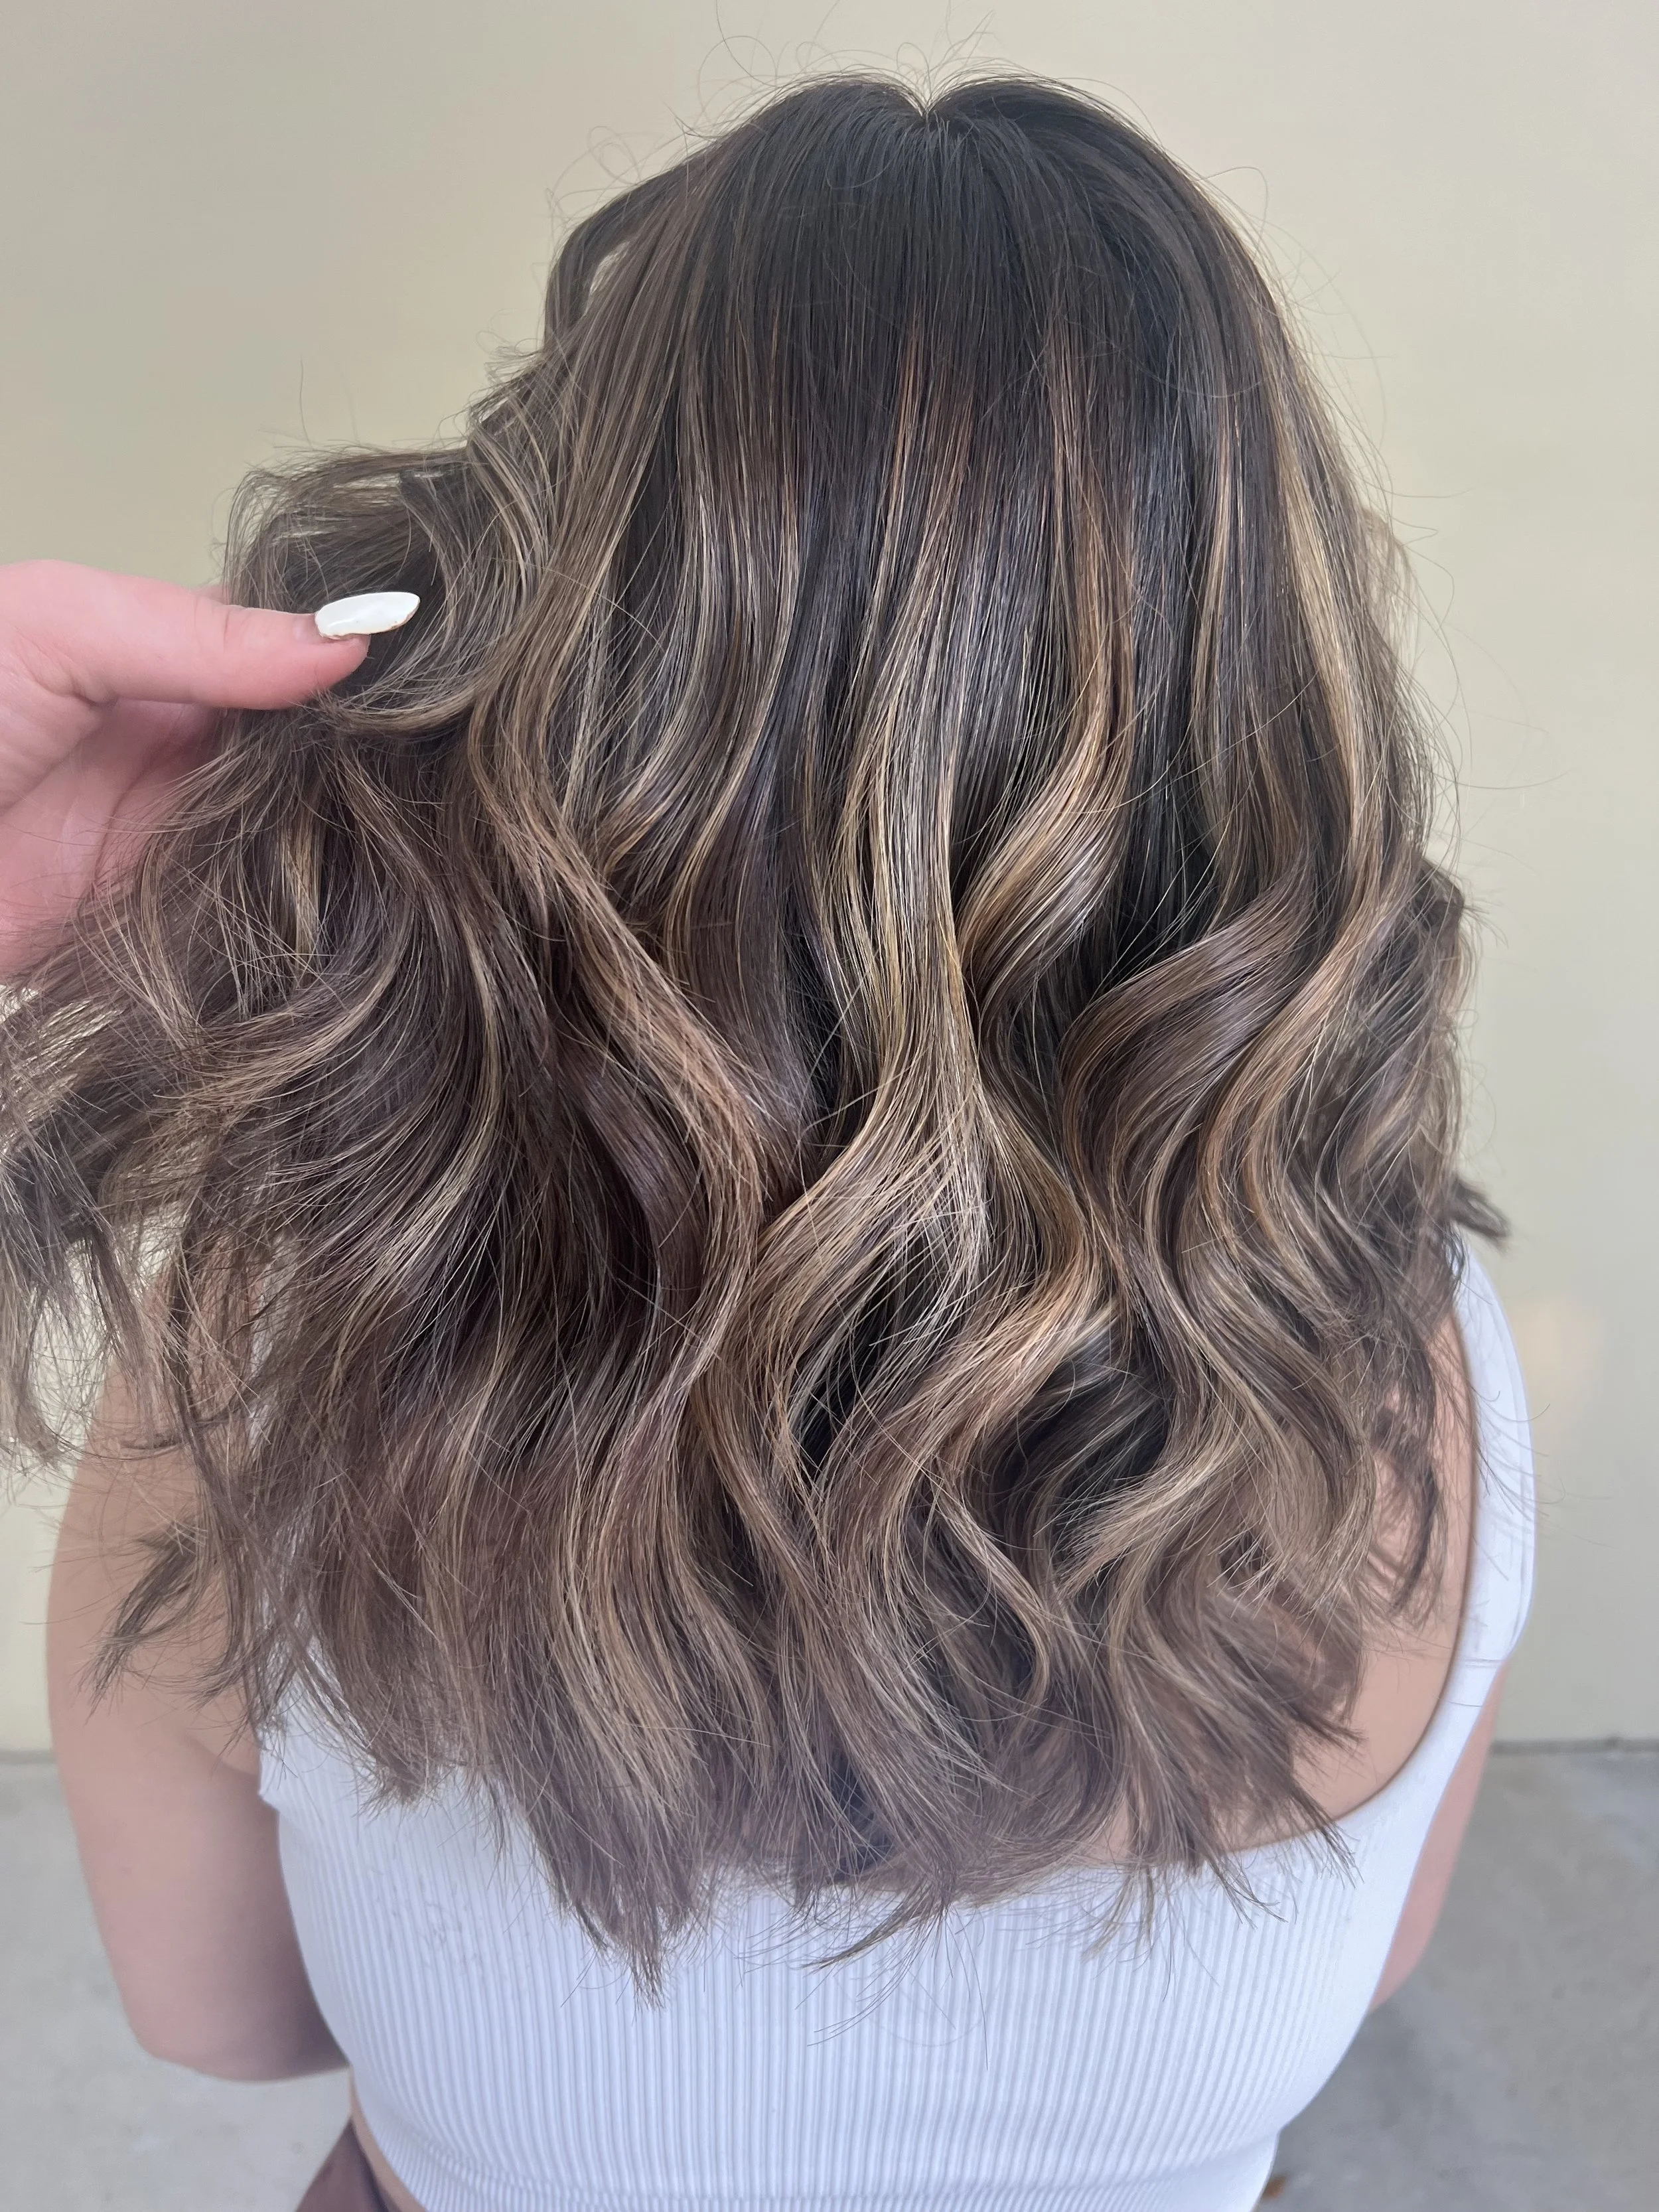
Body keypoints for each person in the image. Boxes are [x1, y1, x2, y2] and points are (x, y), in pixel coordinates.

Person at [4, 71, 1533, 2212]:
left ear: (562, 631)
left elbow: (216, 2012)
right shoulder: (1404, 1358)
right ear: (1262, 710)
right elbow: (1374, 1963)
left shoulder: (284, 1311)